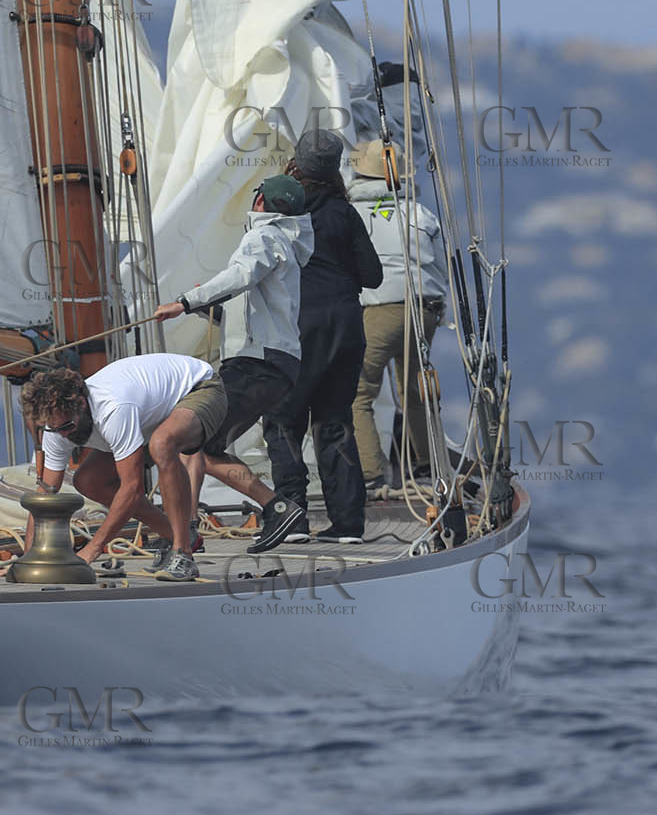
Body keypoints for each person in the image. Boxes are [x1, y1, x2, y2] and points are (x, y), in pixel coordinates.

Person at [152, 174, 314, 559]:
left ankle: (274, 509)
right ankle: (190, 527)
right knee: (202, 443)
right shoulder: (287, 246)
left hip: (254, 364)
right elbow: (257, 307)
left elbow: (240, 275)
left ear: (259, 203)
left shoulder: (263, 237)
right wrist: (211, 308)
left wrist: (184, 302)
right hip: (274, 364)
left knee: (190, 438)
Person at [259, 131, 382, 549]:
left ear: (295, 164)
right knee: (334, 422)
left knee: (282, 420)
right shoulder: (344, 213)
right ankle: (347, 525)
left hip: (296, 328)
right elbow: (373, 277)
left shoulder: (278, 212)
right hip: (345, 329)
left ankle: (291, 519)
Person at [20, 353, 225, 582]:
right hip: (150, 415)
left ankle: (182, 551)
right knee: (88, 482)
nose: (63, 435)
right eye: (55, 429)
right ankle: (179, 535)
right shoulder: (57, 426)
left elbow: (132, 488)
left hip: (200, 388)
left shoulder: (113, 408)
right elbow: (44, 495)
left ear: (81, 404)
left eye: (67, 427)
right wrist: (28, 560)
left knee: (162, 445)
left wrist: (92, 549)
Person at [348, 142, 448, 493]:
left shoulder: (354, 215)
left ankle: (372, 475)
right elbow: (440, 266)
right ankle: (428, 467)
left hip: (379, 310)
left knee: (358, 393)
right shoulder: (421, 214)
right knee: (417, 390)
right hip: (425, 308)